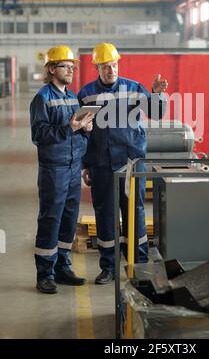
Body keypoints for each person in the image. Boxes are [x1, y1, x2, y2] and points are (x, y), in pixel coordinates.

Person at [78, 42, 168, 284]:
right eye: (106, 66)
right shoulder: (86, 94)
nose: (111, 70)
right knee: (104, 213)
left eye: (114, 65)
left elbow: (157, 113)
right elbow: (83, 133)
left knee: (134, 211)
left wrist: (158, 94)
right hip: (101, 164)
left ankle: (137, 264)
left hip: (131, 162)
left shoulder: (134, 88)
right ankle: (108, 267)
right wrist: (85, 165)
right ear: (97, 67)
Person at [30, 45, 94, 294]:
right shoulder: (42, 98)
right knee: (51, 219)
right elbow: (39, 134)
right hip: (53, 169)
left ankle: (62, 268)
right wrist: (70, 128)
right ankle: (44, 273)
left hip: (72, 167)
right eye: (66, 66)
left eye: (72, 66)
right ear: (51, 69)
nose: (71, 70)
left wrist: (85, 131)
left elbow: (75, 131)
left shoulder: (71, 96)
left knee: (68, 219)